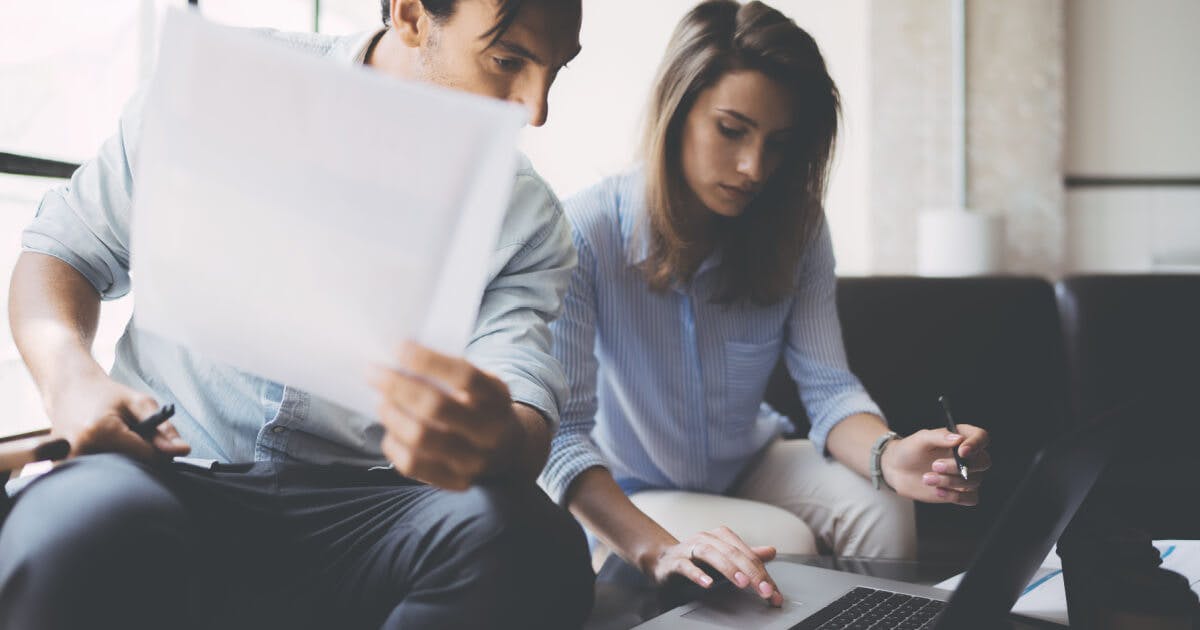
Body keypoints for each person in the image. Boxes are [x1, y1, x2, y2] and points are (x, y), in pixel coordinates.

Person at [0, 1, 593, 628]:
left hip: (371, 510)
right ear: (412, 14)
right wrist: (71, 377)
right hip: (169, 470)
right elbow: (63, 249)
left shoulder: (527, 217)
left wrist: (490, 435)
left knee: (535, 544)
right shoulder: (220, 89)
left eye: (557, 69)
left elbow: (523, 403)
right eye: (508, 60)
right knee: (73, 534)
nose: (537, 108)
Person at [538, 0, 993, 608]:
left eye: (778, 143)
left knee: (882, 499)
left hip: (749, 461)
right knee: (786, 538)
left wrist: (892, 455)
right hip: (630, 491)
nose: (754, 168)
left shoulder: (796, 227)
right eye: (731, 130)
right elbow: (561, 436)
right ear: (677, 110)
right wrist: (649, 546)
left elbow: (829, 389)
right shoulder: (585, 230)